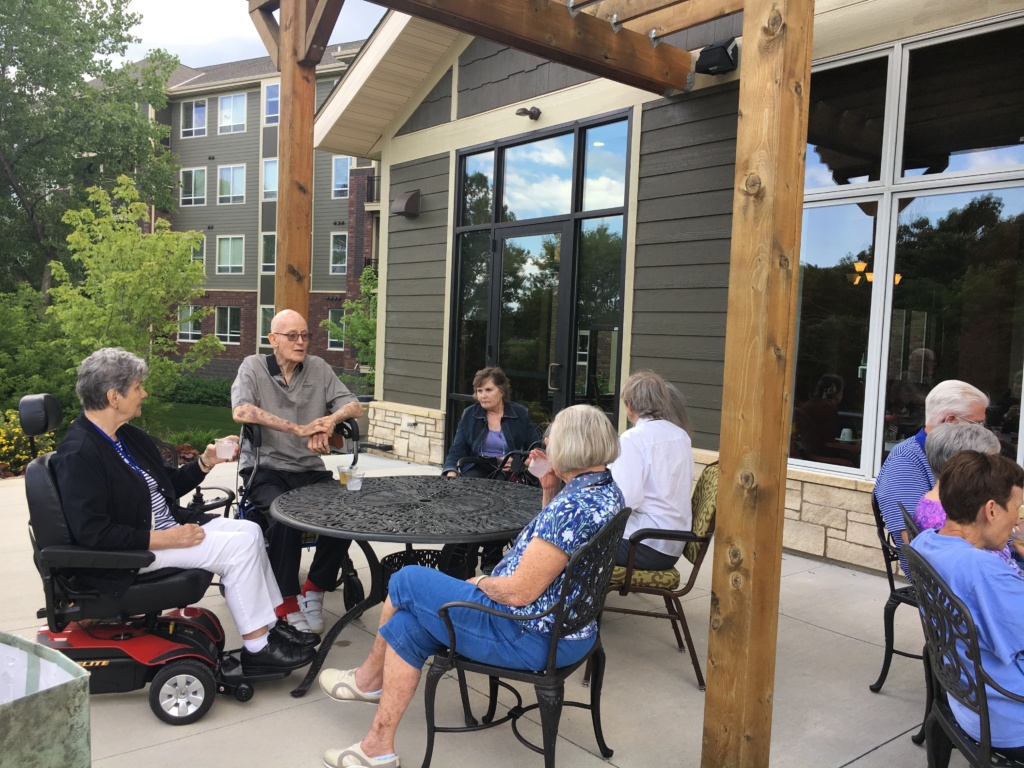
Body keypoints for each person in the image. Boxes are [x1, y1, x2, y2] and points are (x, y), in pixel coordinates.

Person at [317, 405, 624, 768]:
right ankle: (377, 747)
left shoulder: (570, 510)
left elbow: (519, 593)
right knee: (407, 627)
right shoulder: (604, 492)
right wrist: (549, 490)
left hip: (526, 634)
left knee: (405, 580)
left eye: (552, 435)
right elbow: (556, 551)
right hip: (570, 629)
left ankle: (368, 679)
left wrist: (481, 580)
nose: (545, 440)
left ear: (573, 445)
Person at [51, 348, 316, 675]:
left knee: (251, 531)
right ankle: (259, 646)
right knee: (239, 547)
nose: (144, 393)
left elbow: (169, 487)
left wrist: (205, 462)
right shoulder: (80, 454)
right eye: (137, 387)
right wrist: (167, 538)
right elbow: (93, 533)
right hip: (130, 556)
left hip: (163, 534)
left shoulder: (125, 437)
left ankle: (272, 625)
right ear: (113, 397)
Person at [231, 309, 364, 635]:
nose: (301, 341)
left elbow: (354, 404)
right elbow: (241, 410)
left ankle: (314, 591)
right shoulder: (253, 366)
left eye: (305, 335)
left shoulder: (318, 368)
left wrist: (328, 422)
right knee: (284, 516)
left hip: (308, 468)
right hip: (265, 468)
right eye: (292, 336)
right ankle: (286, 601)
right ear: (272, 339)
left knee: (346, 510)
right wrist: (299, 428)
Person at [910, 451, 1024, 757]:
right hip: (1009, 718)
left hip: (968, 701)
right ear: (991, 510)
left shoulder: (926, 542)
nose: (1017, 519)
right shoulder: (985, 571)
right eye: (1017, 508)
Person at [873, 379, 989, 577]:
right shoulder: (906, 460)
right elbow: (914, 544)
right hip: (947, 578)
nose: (983, 432)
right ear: (950, 420)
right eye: (977, 424)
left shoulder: (961, 458)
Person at [608, 371, 694, 570]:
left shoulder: (633, 439)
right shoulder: (680, 435)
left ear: (629, 405)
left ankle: (578, 599)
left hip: (643, 544)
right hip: (671, 545)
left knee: (572, 540)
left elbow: (626, 500)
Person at [911, 422, 1023, 574]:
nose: (1000, 468)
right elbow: (993, 571)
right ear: (967, 467)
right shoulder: (959, 518)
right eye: (991, 463)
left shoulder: (940, 504)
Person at [441, 367, 540, 478]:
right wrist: (451, 472)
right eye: (479, 391)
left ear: (502, 391)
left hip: (509, 470)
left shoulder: (520, 413)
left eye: (488, 390)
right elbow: (458, 449)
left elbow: (536, 447)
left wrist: (522, 463)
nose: (483, 396)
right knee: (471, 485)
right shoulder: (469, 414)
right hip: (477, 467)